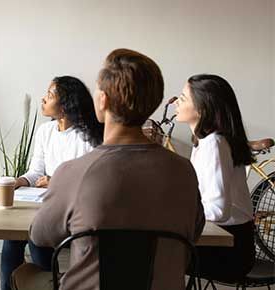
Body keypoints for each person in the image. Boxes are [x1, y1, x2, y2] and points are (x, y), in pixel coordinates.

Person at [14, 49, 205, 290]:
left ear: (102, 100)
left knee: (24, 273)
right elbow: (193, 231)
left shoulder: (73, 172)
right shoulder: (184, 171)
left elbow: (41, 236)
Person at [1, 76, 103, 290]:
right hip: (42, 204)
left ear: (65, 104)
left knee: (37, 238)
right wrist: (19, 181)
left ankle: (47, 281)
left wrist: (54, 182)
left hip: (72, 210)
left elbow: (91, 182)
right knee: (11, 236)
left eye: (49, 95)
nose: (43, 99)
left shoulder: (87, 138)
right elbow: (35, 172)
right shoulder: (45, 131)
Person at [175, 74, 255, 281]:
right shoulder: (206, 142)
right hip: (232, 243)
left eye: (183, 98)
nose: (176, 101)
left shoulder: (214, 144)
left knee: (154, 253)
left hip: (230, 251)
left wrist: (176, 211)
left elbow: (218, 210)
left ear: (202, 108)